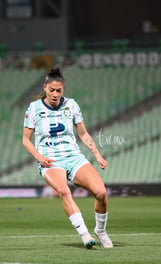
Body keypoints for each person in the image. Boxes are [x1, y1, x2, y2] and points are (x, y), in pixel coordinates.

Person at [22, 68, 113, 249]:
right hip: (51, 160)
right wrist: (39, 157)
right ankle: (85, 235)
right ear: (45, 87)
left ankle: (100, 231)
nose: (55, 94)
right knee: (64, 191)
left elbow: (84, 134)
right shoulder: (34, 108)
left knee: (101, 193)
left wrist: (97, 155)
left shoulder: (72, 105)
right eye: (52, 90)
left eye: (59, 91)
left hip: (73, 156)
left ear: (63, 90)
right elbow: (25, 140)